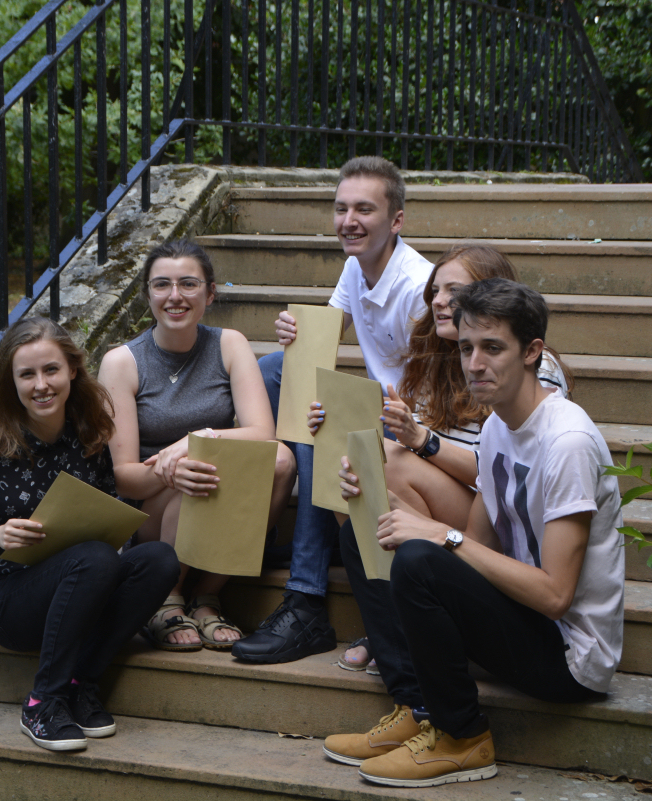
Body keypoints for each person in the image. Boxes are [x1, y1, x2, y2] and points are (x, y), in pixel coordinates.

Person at [324, 278, 624, 787]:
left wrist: (441, 535)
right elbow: (477, 545)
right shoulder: (498, 426)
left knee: (421, 557)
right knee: (366, 528)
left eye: (492, 348)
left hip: (570, 656)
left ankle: (463, 736)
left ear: (532, 353)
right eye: (466, 348)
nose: (475, 363)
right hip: (521, 621)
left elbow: (555, 595)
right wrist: (382, 501)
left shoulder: (566, 442)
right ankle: (418, 706)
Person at [0, 317, 180, 752]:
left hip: (82, 583)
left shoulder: (88, 439)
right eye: (26, 374)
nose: (41, 384)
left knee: (159, 558)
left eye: (50, 369)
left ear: (72, 370)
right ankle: (42, 701)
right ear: (11, 383)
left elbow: (108, 511)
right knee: (95, 558)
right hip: (11, 600)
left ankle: (80, 683)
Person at [336, 243, 573, 674]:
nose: (439, 301)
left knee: (391, 462)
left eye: (454, 291)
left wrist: (421, 441)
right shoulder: (434, 357)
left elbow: (505, 471)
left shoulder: (531, 369)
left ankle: (419, 624)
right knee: (356, 473)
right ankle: (398, 623)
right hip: (465, 507)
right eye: (435, 291)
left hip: (499, 516)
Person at [233, 156, 433, 664]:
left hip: (411, 421)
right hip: (374, 406)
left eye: (365, 209)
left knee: (318, 428)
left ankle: (305, 597)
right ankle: (276, 515)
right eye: (341, 208)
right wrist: (298, 336)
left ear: (397, 220)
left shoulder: (418, 288)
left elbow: (434, 393)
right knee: (278, 369)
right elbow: (327, 336)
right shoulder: (355, 265)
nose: (350, 221)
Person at [98, 240, 296, 652]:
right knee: (193, 481)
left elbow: (263, 432)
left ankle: (206, 595)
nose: (175, 296)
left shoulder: (229, 344)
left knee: (281, 460)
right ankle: (165, 598)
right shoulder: (122, 362)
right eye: (162, 285)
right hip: (152, 505)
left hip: (216, 489)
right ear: (148, 294)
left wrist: (196, 443)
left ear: (209, 293)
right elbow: (123, 478)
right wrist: (168, 468)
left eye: (188, 284)